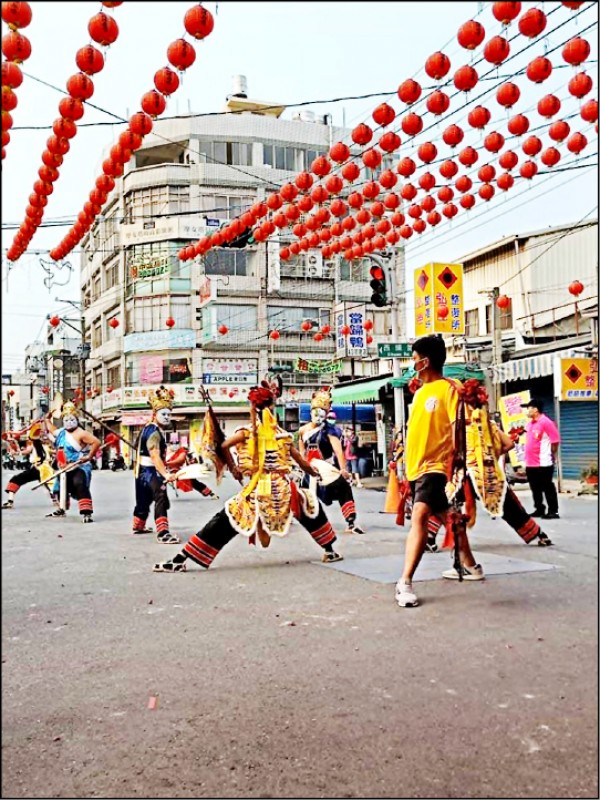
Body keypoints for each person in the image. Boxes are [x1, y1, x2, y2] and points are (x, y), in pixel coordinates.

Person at [153, 380, 343, 573]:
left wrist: (234, 467)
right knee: (309, 505)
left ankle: (181, 558)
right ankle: (330, 550)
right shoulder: (283, 435)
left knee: (224, 520)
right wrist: (317, 473)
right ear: (271, 408)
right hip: (284, 490)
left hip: (258, 490)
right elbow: (302, 464)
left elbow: (222, 446)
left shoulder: (247, 433)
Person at [395, 335, 482, 609]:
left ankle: (405, 581)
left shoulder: (450, 389)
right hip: (417, 468)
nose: (413, 363)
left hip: (438, 467)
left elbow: (463, 427)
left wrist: (460, 465)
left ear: (425, 360)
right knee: (450, 520)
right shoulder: (420, 392)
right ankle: (470, 565)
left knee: (420, 514)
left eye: (414, 357)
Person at [421, 380, 553, 551]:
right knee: (509, 506)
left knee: (444, 502)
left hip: (464, 474)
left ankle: (430, 538)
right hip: (486, 474)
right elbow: (508, 444)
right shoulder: (487, 424)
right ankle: (538, 534)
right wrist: (490, 456)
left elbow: (451, 449)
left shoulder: (457, 425)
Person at [298, 388, 365, 535]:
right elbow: (301, 453)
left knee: (343, 489)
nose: (318, 416)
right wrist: (302, 468)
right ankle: (315, 525)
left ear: (326, 414)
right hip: (309, 469)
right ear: (311, 412)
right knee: (305, 497)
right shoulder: (303, 431)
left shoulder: (330, 430)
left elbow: (338, 451)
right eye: (315, 412)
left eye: (321, 413)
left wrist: (343, 469)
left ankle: (350, 521)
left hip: (326, 468)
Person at [132, 386, 181, 543]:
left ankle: (138, 525)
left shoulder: (146, 429)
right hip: (150, 471)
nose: (167, 417)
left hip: (140, 471)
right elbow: (154, 455)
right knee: (160, 495)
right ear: (155, 414)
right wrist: (166, 474)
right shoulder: (154, 433)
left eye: (169, 414)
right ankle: (163, 533)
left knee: (143, 500)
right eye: (163, 414)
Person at [45, 402, 101, 522]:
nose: (69, 421)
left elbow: (96, 442)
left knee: (79, 484)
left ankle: (87, 513)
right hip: (64, 466)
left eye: (71, 419)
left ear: (76, 419)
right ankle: (62, 508)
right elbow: (51, 429)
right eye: (66, 419)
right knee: (60, 487)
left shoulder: (82, 433)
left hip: (78, 465)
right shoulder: (61, 433)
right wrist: (47, 418)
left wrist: (89, 456)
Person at [520, 398, 561, 520]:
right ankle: (539, 508)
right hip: (531, 462)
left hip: (543, 462)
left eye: (529, 408)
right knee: (535, 487)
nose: (527, 411)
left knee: (547, 486)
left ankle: (553, 511)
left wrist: (551, 453)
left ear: (535, 409)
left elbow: (555, 441)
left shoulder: (546, 422)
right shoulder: (530, 423)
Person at [2, 423, 54, 509]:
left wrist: (16, 453)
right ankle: (57, 501)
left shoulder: (35, 444)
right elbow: (54, 452)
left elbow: (27, 451)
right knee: (50, 485)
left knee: (15, 479)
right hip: (47, 469)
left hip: (37, 468)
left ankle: (10, 501)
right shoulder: (47, 445)